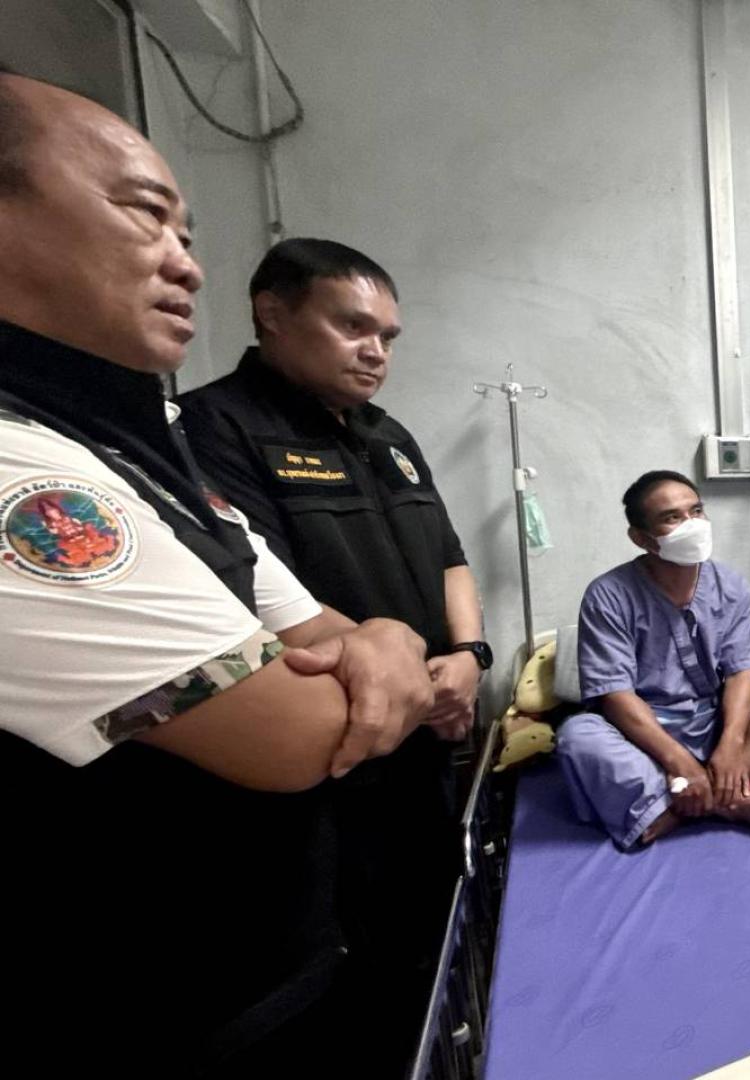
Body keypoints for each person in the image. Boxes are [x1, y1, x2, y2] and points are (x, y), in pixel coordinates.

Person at [0, 68, 433, 1074]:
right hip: (144, 1005)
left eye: (186, 233)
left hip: (280, 954)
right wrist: (383, 651)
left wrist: (392, 636)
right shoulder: (29, 476)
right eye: (143, 213)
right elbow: (297, 730)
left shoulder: (134, 450)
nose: (185, 264)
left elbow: (326, 628)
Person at [178, 238, 485, 1072]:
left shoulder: (390, 437)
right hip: (331, 760)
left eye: (387, 335)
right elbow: (261, 597)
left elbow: (451, 557)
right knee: (354, 979)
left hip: (429, 736)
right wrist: (410, 678)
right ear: (273, 314)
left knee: (434, 935)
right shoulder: (215, 430)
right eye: (353, 327)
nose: (375, 351)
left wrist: (469, 655)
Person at [558, 470, 750, 847]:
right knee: (577, 737)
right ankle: (728, 803)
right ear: (641, 538)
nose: (692, 524)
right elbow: (615, 696)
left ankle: (679, 801)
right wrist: (678, 761)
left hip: (713, 717)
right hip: (645, 732)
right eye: (672, 517)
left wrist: (731, 743)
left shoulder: (730, 586)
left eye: (696, 511)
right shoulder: (609, 596)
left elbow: (741, 672)